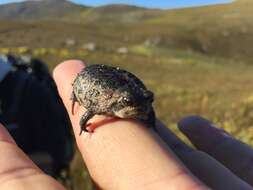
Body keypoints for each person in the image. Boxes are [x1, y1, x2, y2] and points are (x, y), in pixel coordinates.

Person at [0, 60, 252, 190]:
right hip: (100, 87)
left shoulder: (140, 102)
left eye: (146, 102)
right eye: (133, 105)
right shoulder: (104, 105)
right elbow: (88, 114)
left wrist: (147, 117)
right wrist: (84, 126)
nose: (141, 108)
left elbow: (144, 107)